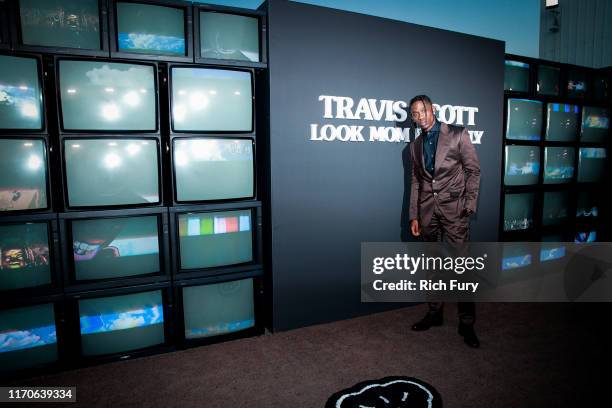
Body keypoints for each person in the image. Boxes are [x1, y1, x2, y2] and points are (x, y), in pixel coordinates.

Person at [408, 95, 481, 348]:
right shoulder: (415, 146)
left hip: (455, 212)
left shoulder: (458, 134)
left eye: (423, 111)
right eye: (415, 114)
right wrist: (414, 215)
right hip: (428, 213)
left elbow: (473, 171)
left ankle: (467, 323)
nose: (420, 117)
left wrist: (469, 205)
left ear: (433, 109)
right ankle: (435, 314)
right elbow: (417, 182)